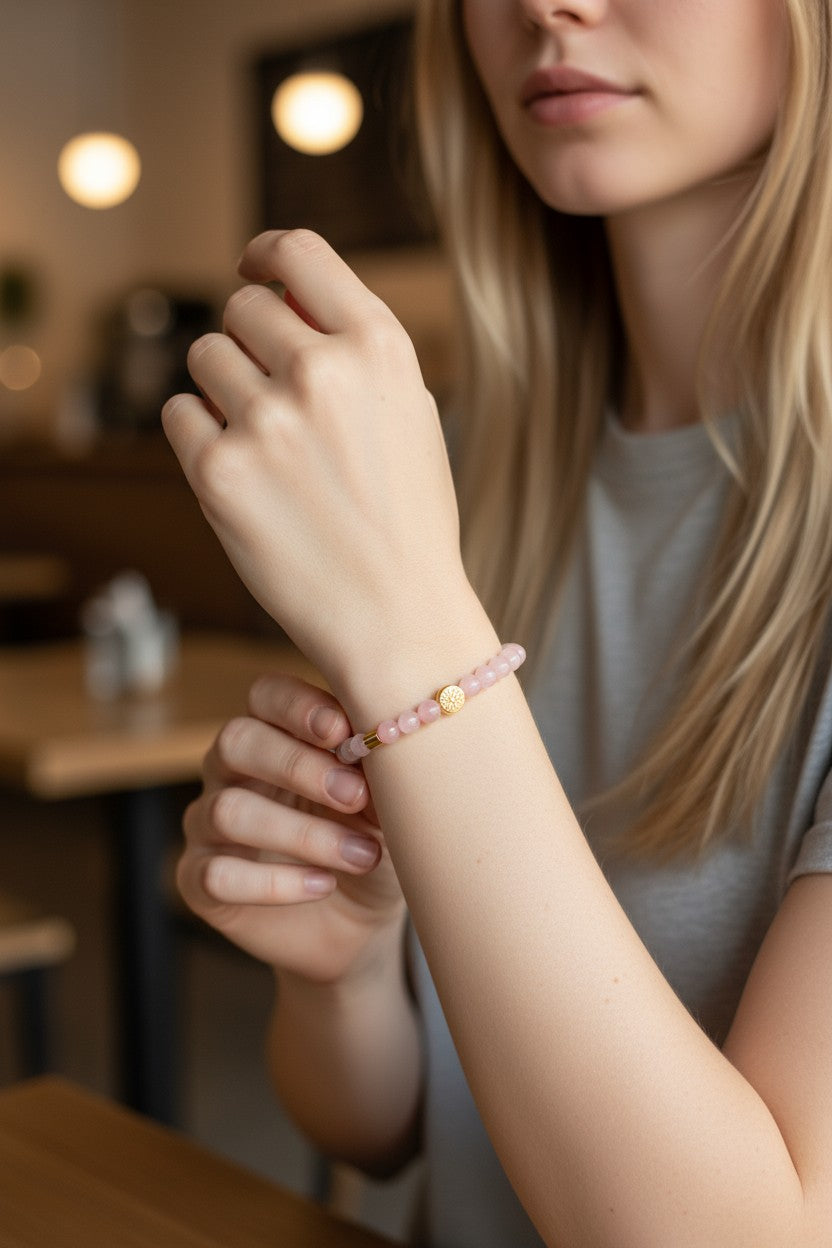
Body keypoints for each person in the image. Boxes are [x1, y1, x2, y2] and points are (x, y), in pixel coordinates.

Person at [162, 1, 832, 1244]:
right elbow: (390, 1126)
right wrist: (343, 972)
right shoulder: (449, 474)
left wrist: (413, 630)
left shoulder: (405, 541)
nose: (544, 4)